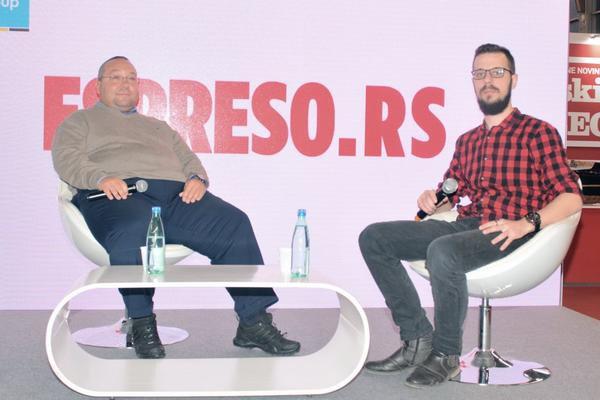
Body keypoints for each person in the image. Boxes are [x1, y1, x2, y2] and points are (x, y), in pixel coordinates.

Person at [358, 43, 582, 388]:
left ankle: (446, 354)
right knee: (374, 238)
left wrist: (526, 224)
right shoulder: (468, 141)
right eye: (480, 73)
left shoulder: (538, 133)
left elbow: (571, 197)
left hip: (510, 228)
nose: (487, 80)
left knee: (443, 251)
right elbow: (450, 195)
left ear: (513, 80)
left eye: (497, 72)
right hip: (468, 224)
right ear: (473, 80)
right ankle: (417, 339)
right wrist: (432, 202)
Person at [52, 56, 300, 359]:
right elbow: (66, 158)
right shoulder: (79, 122)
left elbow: (188, 159)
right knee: (131, 228)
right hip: (117, 195)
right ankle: (141, 323)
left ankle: (253, 321)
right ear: (98, 86)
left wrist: (197, 179)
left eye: (131, 78)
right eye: (115, 77)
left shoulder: (159, 127)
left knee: (233, 224)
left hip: (174, 198)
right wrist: (100, 178)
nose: (124, 83)